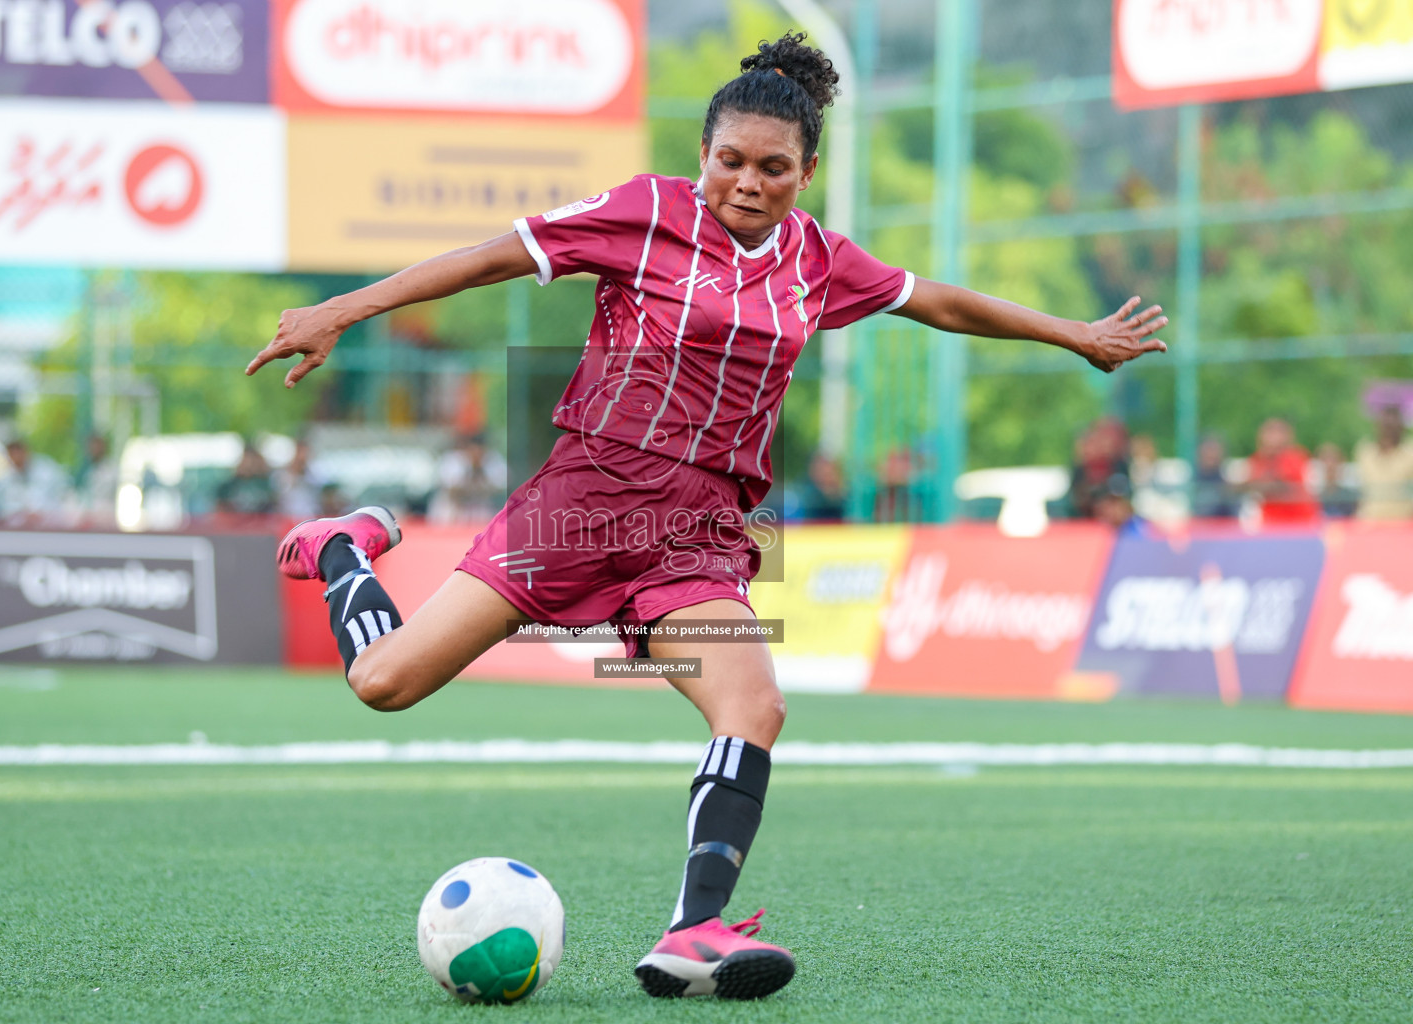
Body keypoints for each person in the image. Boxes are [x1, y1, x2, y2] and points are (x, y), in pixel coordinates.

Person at [246, 33, 1168, 1001]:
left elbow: (932, 299)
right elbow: (487, 262)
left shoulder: (819, 259)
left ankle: (694, 931)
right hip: (583, 504)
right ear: (703, 156)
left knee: (753, 704)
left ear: (806, 172)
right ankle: (344, 549)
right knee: (384, 682)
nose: (748, 182)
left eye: (774, 167)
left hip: (698, 535)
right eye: (730, 160)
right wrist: (345, 309)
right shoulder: (643, 213)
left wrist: (1074, 335)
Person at [0, 437, 69, 526]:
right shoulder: (4, 476)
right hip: (17, 528)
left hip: (49, 526)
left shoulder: (46, 470)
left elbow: (59, 496)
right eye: (12, 455)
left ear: (26, 452)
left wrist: (39, 513)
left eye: (18, 453)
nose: (16, 458)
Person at [1246, 418, 1318, 527]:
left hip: (1300, 521)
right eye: (1270, 431)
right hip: (1271, 522)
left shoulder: (1296, 456)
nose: (1275, 437)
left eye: (1279, 431)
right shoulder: (1256, 459)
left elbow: (1283, 485)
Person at [1354, 405, 1413, 521]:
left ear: (1401, 428)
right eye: (1386, 426)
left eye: (1392, 427)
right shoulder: (1365, 452)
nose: (1388, 431)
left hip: (1402, 525)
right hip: (1369, 523)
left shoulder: (1410, 453)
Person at [1191, 434, 1238, 520]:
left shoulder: (1227, 487)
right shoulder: (1190, 483)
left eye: (1214, 450)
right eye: (1208, 450)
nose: (1211, 455)